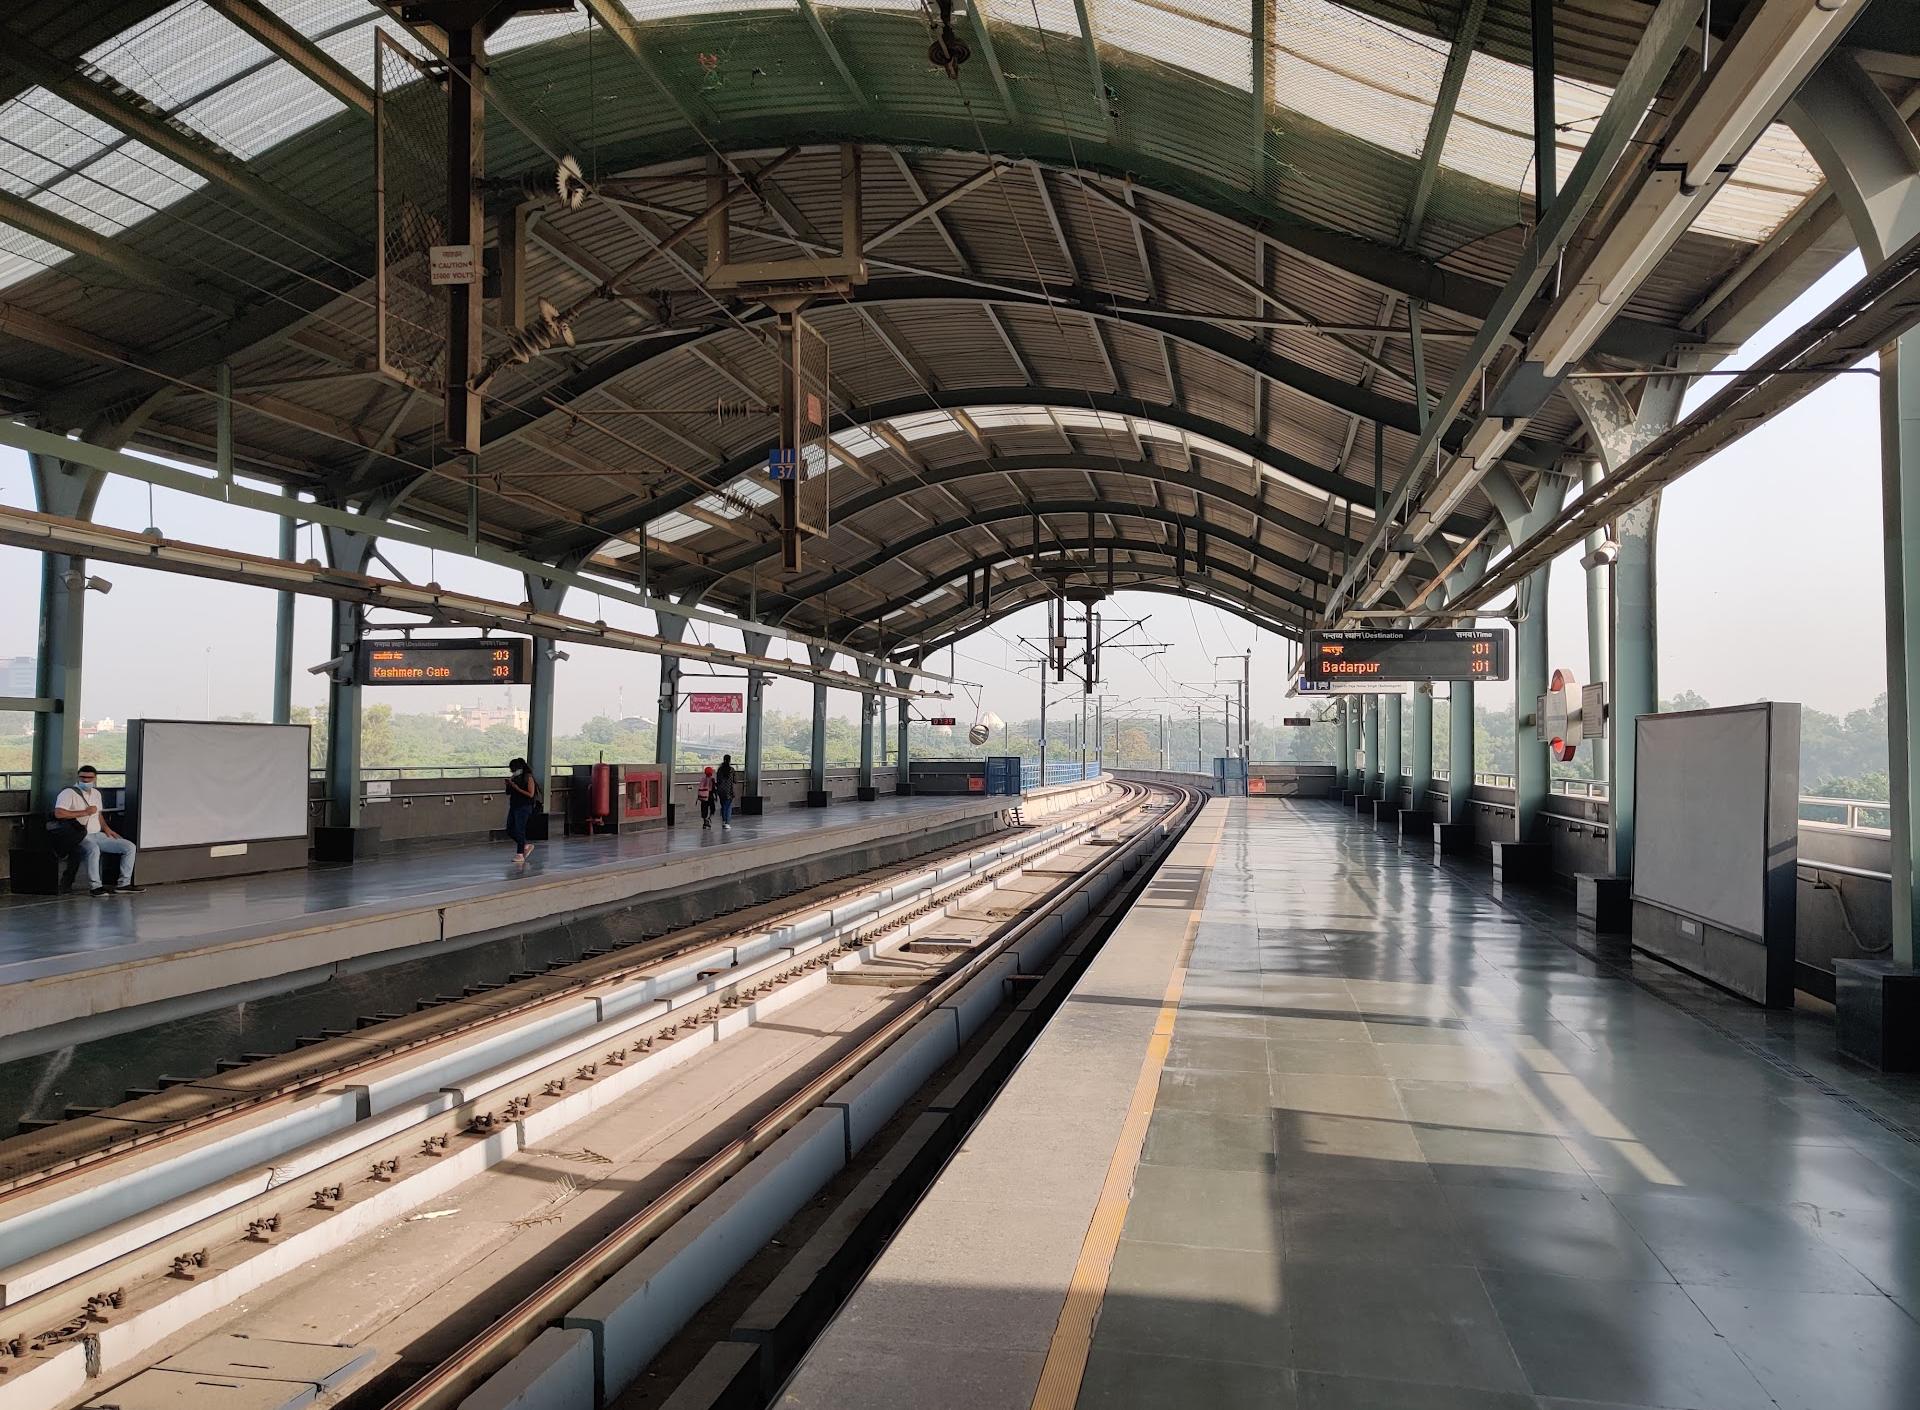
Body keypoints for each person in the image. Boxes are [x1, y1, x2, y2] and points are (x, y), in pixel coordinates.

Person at [54, 765, 144, 897]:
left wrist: (107, 828)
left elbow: (98, 814)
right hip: (80, 835)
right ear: (78, 777)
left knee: (129, 846)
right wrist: (84, 812)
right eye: (83, 777)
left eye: (89, 778)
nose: (86, 780)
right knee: (93, 849)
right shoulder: (68, 793)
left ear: (95, 778)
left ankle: (124, 883)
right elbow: (59, 813)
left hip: (97, 833)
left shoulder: (96, 793)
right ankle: (95, 886)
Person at [504, 757, 540, 867]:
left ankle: (520, 854)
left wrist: (516, 787)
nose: (512, 771)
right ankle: (525, 845)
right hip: (514, 805)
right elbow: (508, 793)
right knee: (510, 829)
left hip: (524, 806)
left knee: (520, 829)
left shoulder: (528, 777)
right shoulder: (515, 777)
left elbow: (530, 794)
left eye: (513, 769)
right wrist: (509, 785)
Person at [714, 753, 736, 831]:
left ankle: (723, 821)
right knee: (728, 807)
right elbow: (734, 780)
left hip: (721, 791)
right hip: (729, 791)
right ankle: (727, 823)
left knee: (723, 806)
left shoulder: (720, 769)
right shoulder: (732, 770)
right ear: (730, 760)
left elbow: (718, 780)